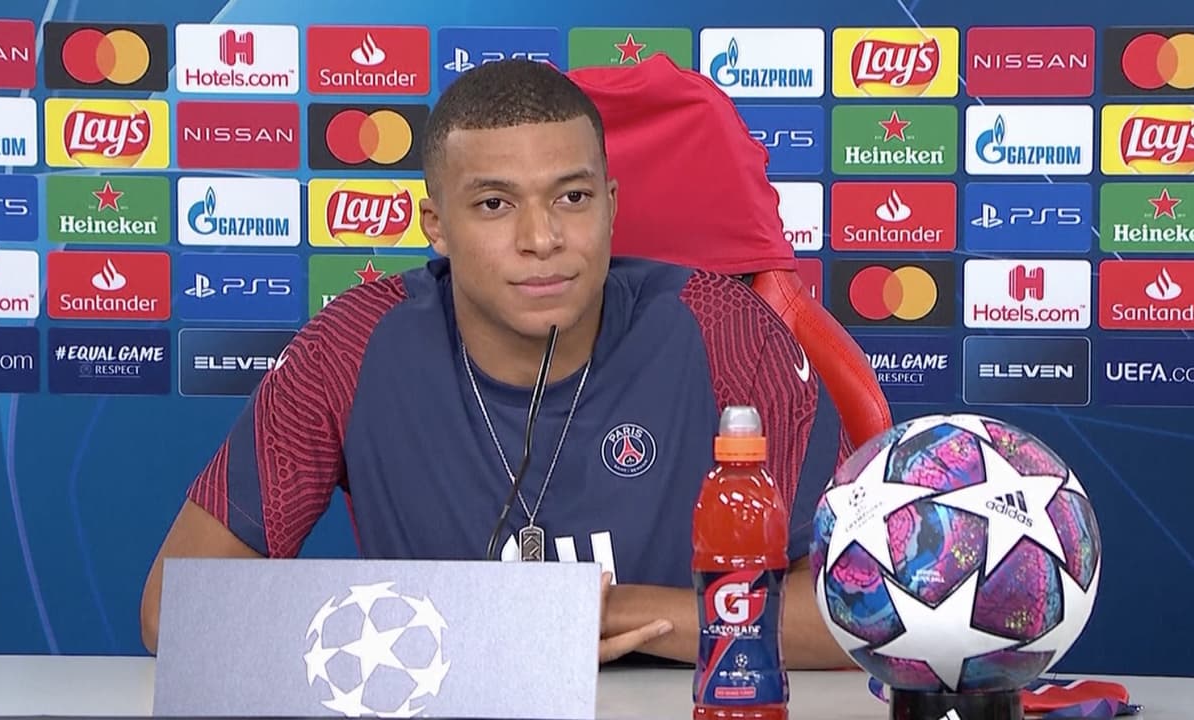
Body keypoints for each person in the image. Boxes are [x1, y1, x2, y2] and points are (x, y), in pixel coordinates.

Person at [139, 58, 853, 669]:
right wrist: (498, 622)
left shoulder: (728, 331)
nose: (541, 238)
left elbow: (861, 608)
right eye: (493, 204)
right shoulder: (350, 348)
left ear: (610, 206)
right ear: (437, 226)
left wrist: (619, 611)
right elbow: (174, 612)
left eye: (572, 197)